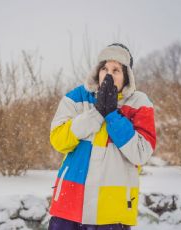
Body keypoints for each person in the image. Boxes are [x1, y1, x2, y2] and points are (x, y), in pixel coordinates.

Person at [47, 43, 156, 230]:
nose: (108, 74)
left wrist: (112, 115)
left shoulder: (139, 103)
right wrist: (96, 113)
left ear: (127, 75)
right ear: (97, 71)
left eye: (116, 70)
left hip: (112, 207)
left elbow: (141, 153)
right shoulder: (77, 97)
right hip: (70, 202)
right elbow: (58, 141)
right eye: (104, 68)